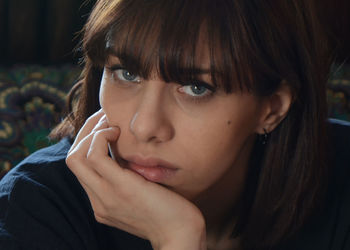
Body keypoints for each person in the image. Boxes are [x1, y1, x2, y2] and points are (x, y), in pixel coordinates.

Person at [0, 0, 349, 249]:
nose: (145, 126)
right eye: (126, 73)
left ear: (271, 109)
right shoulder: (34, 209)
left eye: (197, 88)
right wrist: (177, 238)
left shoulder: (341, 181)